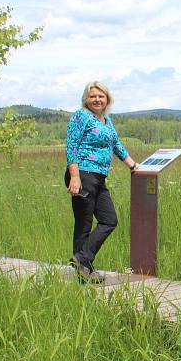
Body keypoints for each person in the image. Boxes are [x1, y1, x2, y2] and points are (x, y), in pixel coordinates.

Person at [65, 81, 138, 283]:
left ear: (107, 99)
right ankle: (84, 271)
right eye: (93, 96)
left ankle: (81, 259)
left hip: (99, 178)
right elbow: (71, 146)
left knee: (109, 220)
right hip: (83, 175)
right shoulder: (81, 116)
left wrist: (132, 165)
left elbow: (116, 144)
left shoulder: (106, 119)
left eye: (101, 96)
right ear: (86, 99)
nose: (97, 99)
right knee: (84, 224)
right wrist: (74, 176)